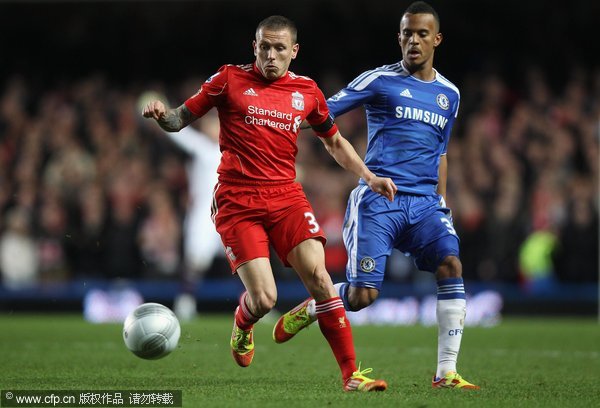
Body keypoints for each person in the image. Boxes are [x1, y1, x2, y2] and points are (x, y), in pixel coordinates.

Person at [142, 15, 397, 392]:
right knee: (264, 298)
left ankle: (351, 376)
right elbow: (180, 118)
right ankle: (244, 323)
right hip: (237, 199)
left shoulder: (307, 91)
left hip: (286, 196)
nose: (271, 56)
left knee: (322, 281)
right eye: (265, 47)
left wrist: (369, 176)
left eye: (280, 48)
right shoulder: (228, 79)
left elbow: (335, 142)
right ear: (255, 47)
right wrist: (163, 116)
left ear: (294, 51)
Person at [273, 2, 480, 390]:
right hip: (378, 201)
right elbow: (321, 114)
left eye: (421, 34)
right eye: (406, 33)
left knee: (451, 264)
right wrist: (276, 123)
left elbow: (442, 153)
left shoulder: (449, 94)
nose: (413, 41)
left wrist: (444, 203)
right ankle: (320, 302)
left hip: (424, 205)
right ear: (398, 37)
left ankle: (446, 373)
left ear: (437, 39)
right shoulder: (378, 80)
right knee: (363, 295)